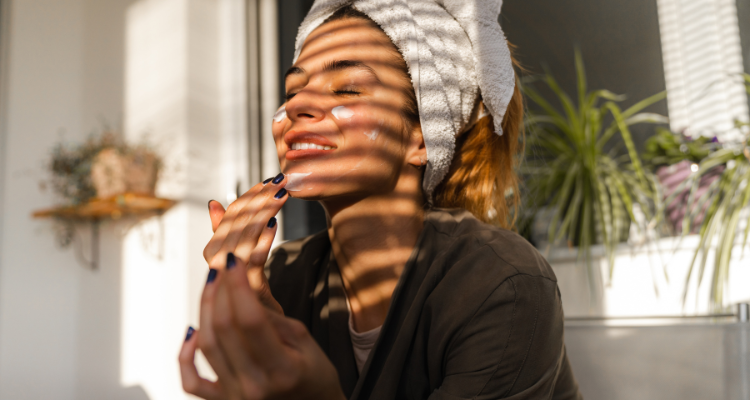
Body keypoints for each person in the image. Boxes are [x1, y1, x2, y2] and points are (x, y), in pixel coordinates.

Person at [178, 1, 583, 399]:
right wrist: (259, 321)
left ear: (421, 137)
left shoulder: (503, 284)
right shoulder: (284, 275)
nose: (296, 105)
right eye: (293, 90)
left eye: (348, 88)